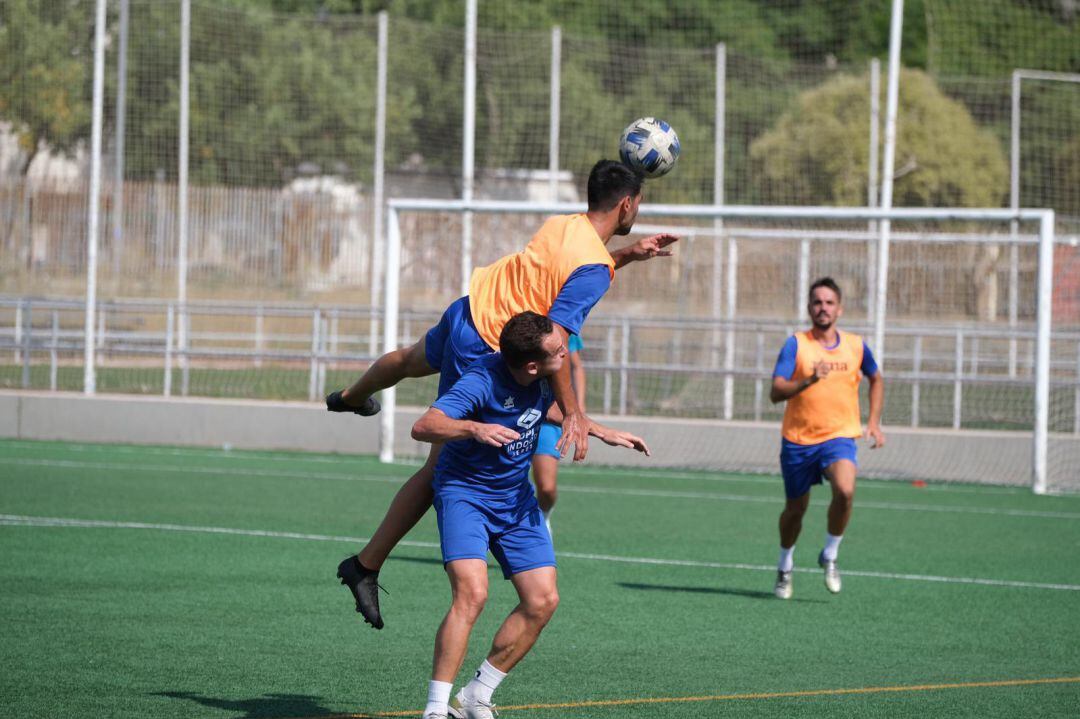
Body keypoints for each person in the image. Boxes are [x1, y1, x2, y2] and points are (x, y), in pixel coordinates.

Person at [330, 160, 677, 629]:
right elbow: (552, 343)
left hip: (472, 308)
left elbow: (561, 279)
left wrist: (628, 255)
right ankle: (365, 566)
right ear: (628, 204)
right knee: (439, 469)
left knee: (412, 359)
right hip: (489, 346)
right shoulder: (593, 267)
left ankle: (352, 395)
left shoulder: (564, 227)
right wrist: (574, 412)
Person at [410, 312, 649, 719]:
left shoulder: (540, 378)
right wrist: (473, 429)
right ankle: (434, 709)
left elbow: (550, 410)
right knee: (472, 594)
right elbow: (424, 425)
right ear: (534, 365)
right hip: (466, 495)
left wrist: (600, 430)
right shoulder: (480, 380)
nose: (566, 354)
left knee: (542, 599)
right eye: (559, 351)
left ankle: (476, 695)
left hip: (515, 501)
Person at [769, 277, 885, 600]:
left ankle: (830, 554)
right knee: (795, 510)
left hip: (839, 437)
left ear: (840, 308)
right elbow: (775, 392)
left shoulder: (856, 346)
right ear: (809, 308)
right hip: (798, 440)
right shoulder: (796, 344)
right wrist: (806, 381)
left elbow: (876, 377)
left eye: (829, 302)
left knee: (846, 490)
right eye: (817, 302)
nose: (823, 308)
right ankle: (784, 564)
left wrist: (873, 422)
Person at [530, 332, 585, 535]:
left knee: (547, 488)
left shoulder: (565, 330)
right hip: (517, 412)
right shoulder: (521, 328)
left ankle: (544, 515)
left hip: (550, 416)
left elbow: (576, 367)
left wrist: (577, 409)